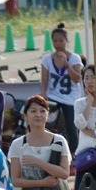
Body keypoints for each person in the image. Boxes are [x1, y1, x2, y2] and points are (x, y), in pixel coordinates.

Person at [9, 95, 72, 190]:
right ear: (25, 116)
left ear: (48, 115)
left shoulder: (59, 140)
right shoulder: (17, 144)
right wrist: (42, 182)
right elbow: (16, 180)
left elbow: (64, 173)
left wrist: (38, 162)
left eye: (43, 111)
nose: (38, 114)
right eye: (33, 111)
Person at [40, 23, 83, 153]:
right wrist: (43, 95)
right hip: (53, 95)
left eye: (61, 41)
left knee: (71, 125)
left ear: (66, 41)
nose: (58, 44)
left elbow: (77, 78)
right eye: (55, 41)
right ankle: (46, 150)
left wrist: (66, 64)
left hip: (71, 97)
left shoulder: (74, 58)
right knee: (45, 122)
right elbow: (44, 80)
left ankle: (75, 153)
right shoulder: (47, 59)